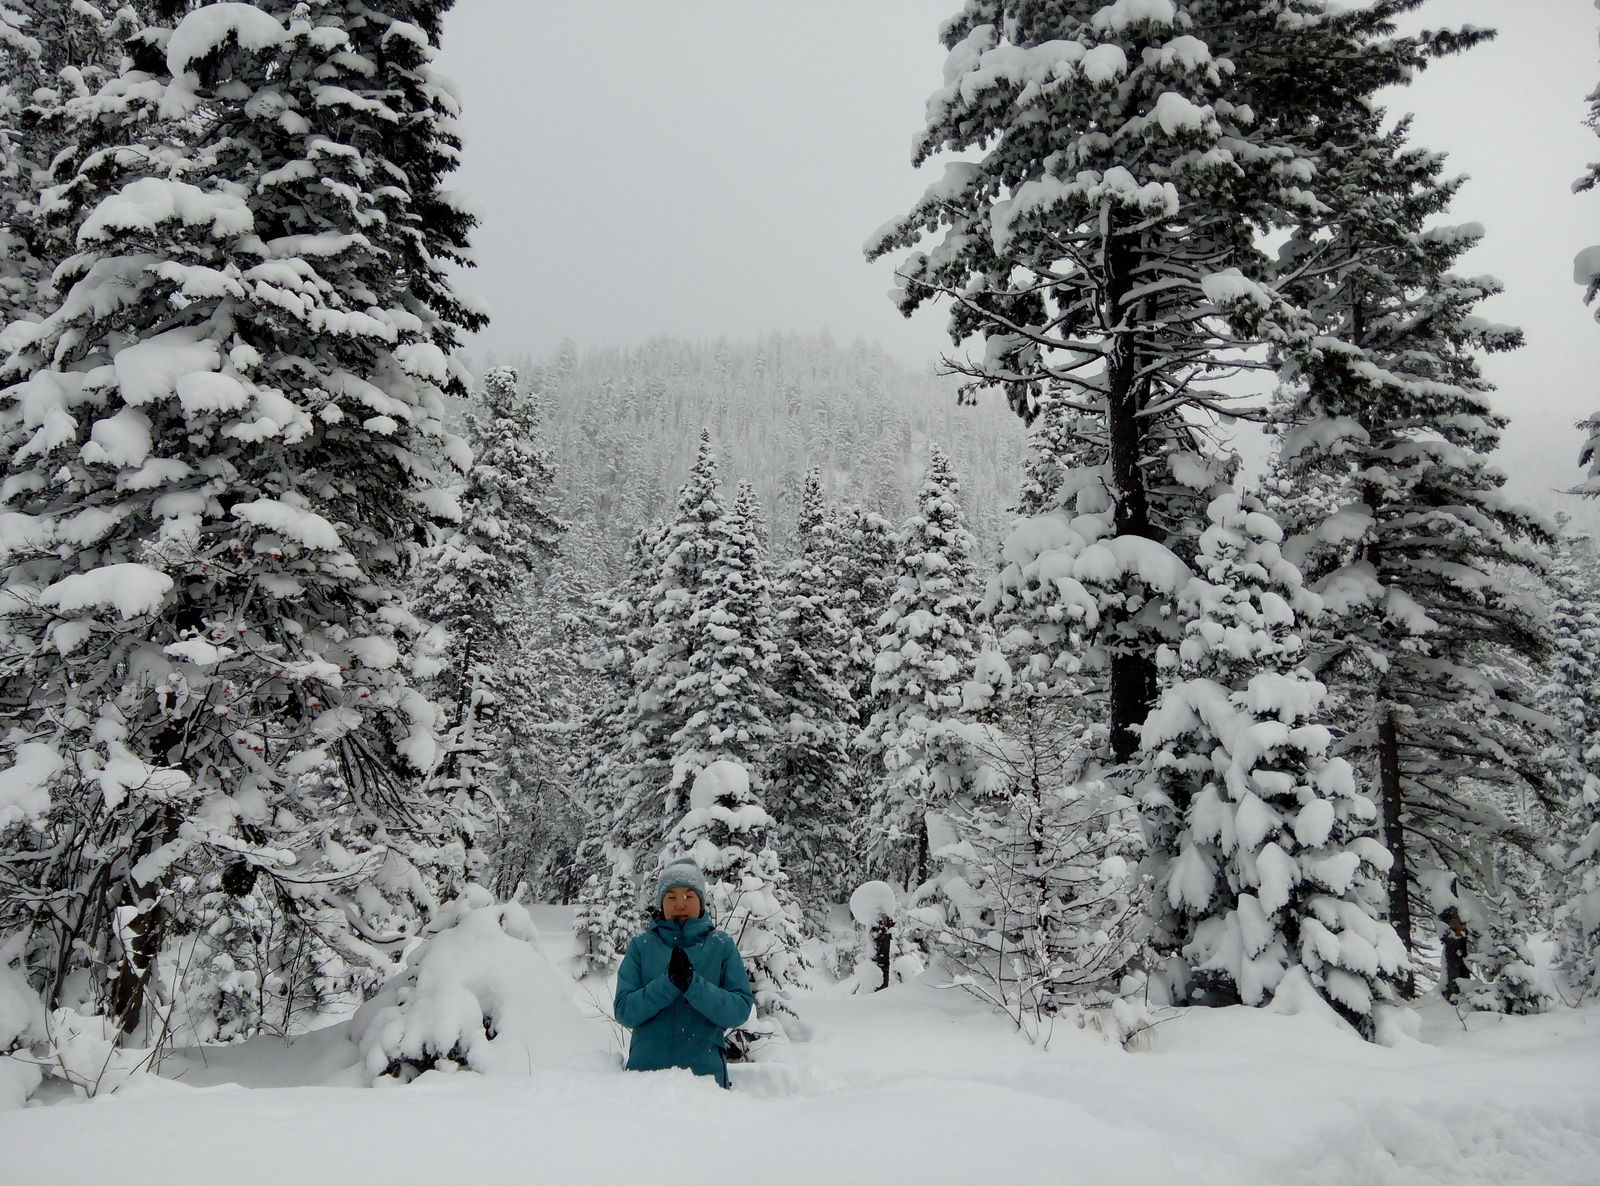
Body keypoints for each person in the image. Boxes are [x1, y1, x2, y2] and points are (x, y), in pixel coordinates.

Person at [613, 857, 754, 1088]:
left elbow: (738, 1010)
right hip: (642, 1084)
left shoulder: (720, 945)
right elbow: (624, 1011)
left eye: (689, 896)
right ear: (661, 903)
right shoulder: (641, 946)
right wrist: (667, 984)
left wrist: (693, 985)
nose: (680, 904)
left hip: (704, 1084)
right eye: (671, 897)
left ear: (701, 901)